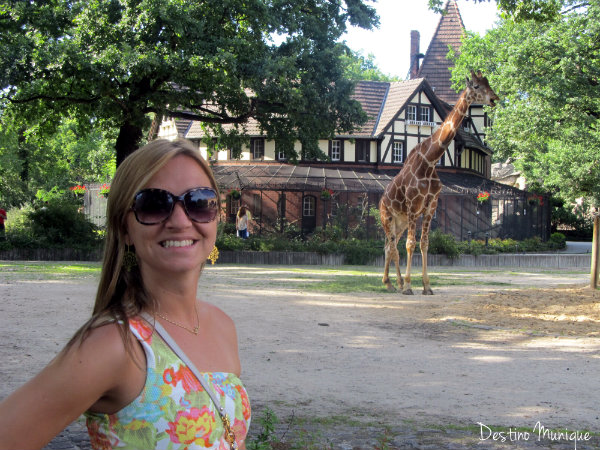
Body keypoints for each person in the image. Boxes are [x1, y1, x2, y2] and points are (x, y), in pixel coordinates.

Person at [0, 139, 251, 449]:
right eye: (154, 205)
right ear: (124, 229)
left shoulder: (222, 326)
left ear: (214, 217)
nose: (180, 220)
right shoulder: (115, 344)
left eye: (198, 202)